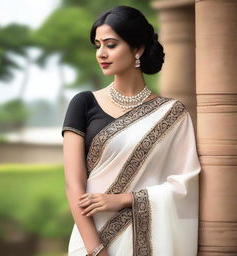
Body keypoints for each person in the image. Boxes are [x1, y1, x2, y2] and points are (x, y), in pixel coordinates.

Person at [61, 5, 201, 256]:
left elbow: (185, 184)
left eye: (111, 45)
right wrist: (96, 250)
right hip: (90, 239)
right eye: (97, 45)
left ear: (138, 48)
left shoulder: (172, 114)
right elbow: (74, 185)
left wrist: (126, 199)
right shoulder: (83, 103)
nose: (101, 53)